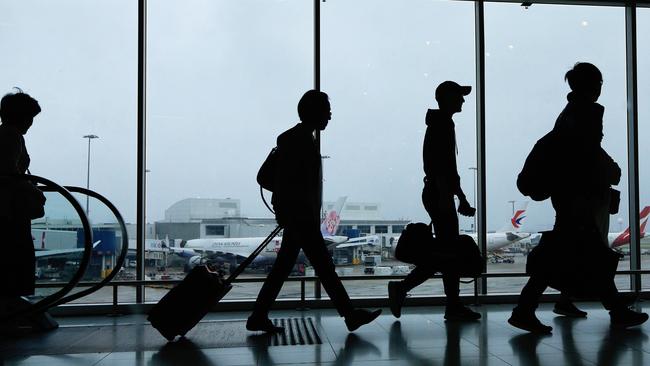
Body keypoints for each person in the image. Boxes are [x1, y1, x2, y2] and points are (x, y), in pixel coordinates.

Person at [508, 63, 648, 333]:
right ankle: (614, 310)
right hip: (578, 198)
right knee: (587, 255)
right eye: (599, 82)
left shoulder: (569, 114)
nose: (601, 87)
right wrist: (609, 172)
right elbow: (586, 153)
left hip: (568, 195)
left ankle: (536, 307)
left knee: (575, 254)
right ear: (591, 84)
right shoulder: (585, 113)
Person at [247, 90, 381, 333]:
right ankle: (349, 315)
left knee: (292, 268)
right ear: (314, 112)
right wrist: (293, 208)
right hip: (301, 218)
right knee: (322, 268)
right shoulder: (297, 141)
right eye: (326, 110)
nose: (330, 115)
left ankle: (259, 315)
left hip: (299, 217)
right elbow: (291, 182)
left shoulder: (298, 139)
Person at [387, 81, 481, 321]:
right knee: (447, 255)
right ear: (448, 99)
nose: (463, 100)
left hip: (439, 191)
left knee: (446, 256)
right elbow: (445, 167)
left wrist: (457, 196)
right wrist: (453, 197)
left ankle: (449, 304)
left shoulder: (440, 123)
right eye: (459, 96)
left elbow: (445, 167)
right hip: (440, 192)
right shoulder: (442, 125)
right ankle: (443, 303)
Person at [0, 89, 50, 333]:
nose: (31, 123)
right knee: (14, 261)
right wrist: (33, 191)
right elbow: (9, 174)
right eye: (30, 117)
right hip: (8, 214)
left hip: (8, 212)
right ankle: (11, 313)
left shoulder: (8, 134)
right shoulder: (10, 136)